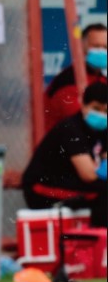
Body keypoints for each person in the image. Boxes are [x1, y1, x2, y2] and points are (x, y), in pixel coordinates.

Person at [22, 81, 107, 228]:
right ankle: (99, 242)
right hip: (41, 188)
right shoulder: (71, 128)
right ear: (83, 105)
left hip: (71, 182)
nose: (102, 115)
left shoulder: (102, 130)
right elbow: (88, 174)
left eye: (106, 111)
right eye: (96, 109)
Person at [44, 23, 107, 133]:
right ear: (82, 47)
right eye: (96, 46)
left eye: (105, 47)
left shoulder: (102, 80)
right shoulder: (68, 81)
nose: (101, 51)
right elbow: (83, 121)